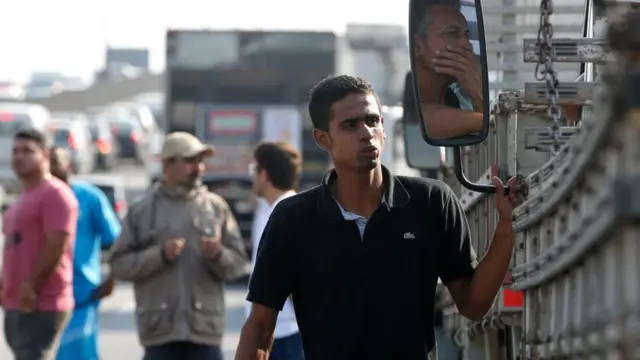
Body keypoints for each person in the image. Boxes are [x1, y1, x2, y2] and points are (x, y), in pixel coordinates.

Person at [235, 75, 517, 360]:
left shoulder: (431, 202)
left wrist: (506, 227)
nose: (366, 132)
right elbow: (259, 327)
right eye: (350, 125)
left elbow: (473, 304)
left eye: (372, 120)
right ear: (323, 139)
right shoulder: (292, 219)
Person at [109, 131, 248, 360]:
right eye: (190, 161)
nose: (198, 168)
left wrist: (218, 255)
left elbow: (238, 264)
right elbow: (119, 265)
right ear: (167, 164)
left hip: (204, 333)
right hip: (160, 334)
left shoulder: (215, 208)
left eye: (201, 161)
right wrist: (159, 255)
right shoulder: (142, 211)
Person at [1, 129, 79, 360]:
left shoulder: (55, 194)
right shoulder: (23, 198)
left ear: (45, 155)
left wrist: (31, 286)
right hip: (17, 300)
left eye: (28, 151)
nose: (19, 156)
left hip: (40, 301)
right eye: (16, 151)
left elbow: (57, 243)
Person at [48, 147, 121, 360]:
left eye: (58, 168)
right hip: (45, 297)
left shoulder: (89, 198)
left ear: (69, 167)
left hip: (82, 296)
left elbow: (116, 241)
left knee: (79, 353)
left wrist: (113, 278)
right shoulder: (36, 200)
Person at [247, 141, 304, 360]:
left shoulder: (289, 212)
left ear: (264, 174)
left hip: (288, 334)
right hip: (268, 331)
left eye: (255, 169)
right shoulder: (267, 208)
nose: (252, 176)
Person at [412, 0, 484, 139]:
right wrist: (485, 117)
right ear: (417, 45)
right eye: (452, 33)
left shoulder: (461, 99)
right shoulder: (411, 102)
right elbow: (424, 120)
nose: (467, 45)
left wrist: (477, 93)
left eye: (466, 35)